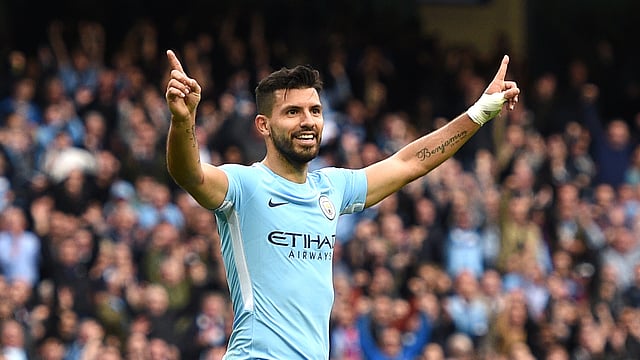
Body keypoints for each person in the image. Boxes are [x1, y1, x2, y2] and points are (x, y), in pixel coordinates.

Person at [164, 49, 519, 359]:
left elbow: (411, 163)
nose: (308, 121)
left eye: (315, 110)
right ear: (263, 125)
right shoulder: (245, 185)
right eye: (292, 112)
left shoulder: (331, 187)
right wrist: (183, 120)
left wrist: (480, 111)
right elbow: (188, 174)